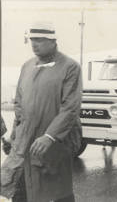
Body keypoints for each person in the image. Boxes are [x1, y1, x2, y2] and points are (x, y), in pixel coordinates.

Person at [0, 21, 82, 202]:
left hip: (54, 142)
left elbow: (70, 108)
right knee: (20, 190)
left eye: (40, 40)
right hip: (25, 143)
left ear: (53, 41)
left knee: (57, 191)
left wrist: (50, 136)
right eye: (32, 40)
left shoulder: (69, 67)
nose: (34, 44)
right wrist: (13, 137)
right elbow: (19, 107)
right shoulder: (27, 66)